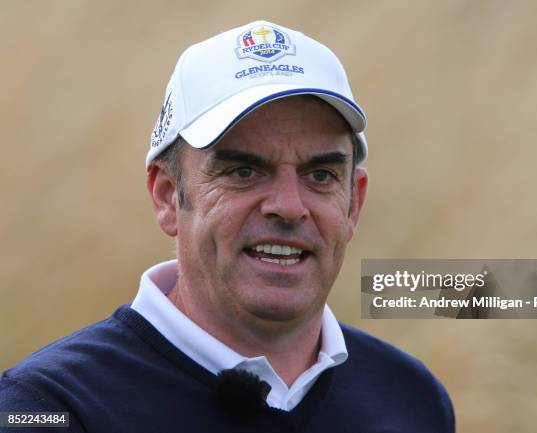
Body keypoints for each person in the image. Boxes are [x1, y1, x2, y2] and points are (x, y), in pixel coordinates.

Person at [0, 21, 455, 432]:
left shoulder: (410, 396)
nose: (289, 207)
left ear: (354, 201)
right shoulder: (49, 407)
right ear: (166, 194)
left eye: (320, 175)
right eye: (243, 172)